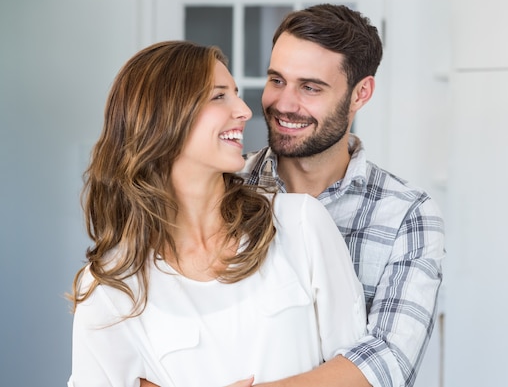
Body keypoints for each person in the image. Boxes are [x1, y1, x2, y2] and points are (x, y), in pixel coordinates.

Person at [66, 40, 366, 387]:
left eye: (235, 93)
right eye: (219, 96)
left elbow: (358, 372)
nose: (244, 110)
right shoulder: (111, 287)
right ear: (163, 118)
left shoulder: (299, 222)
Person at [238, 3, 446, 387]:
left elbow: (387, 361)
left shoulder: (407, 214)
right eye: (277, 80)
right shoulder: (226, 186)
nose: (284, 104)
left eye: (310, 87)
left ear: (360, 93)